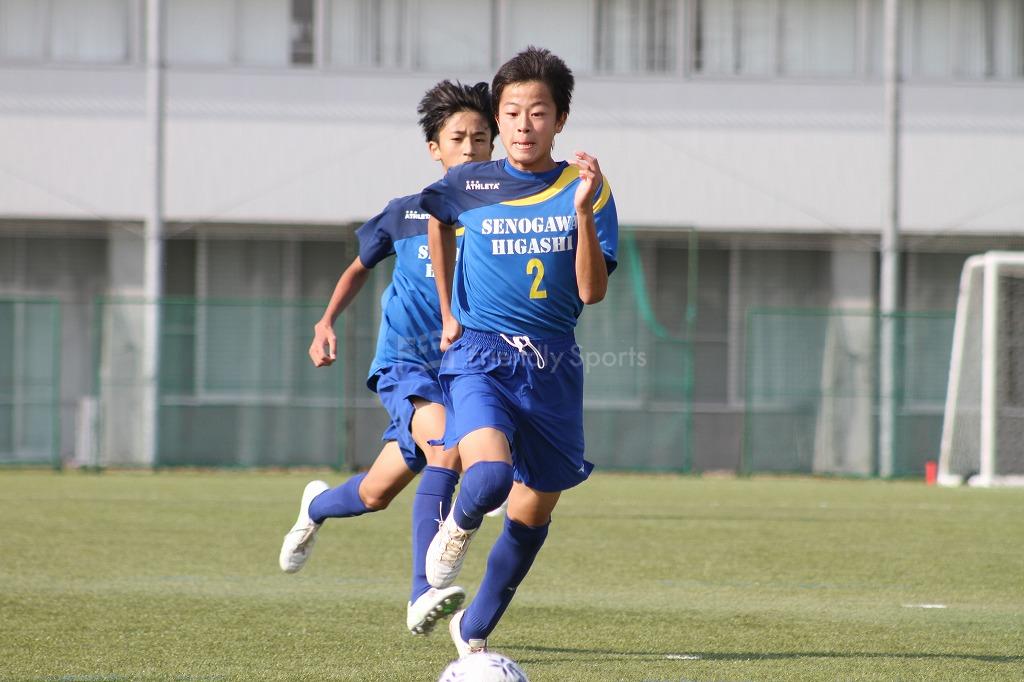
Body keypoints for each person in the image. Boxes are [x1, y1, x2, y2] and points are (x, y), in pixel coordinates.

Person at [278, 80, 497, 637]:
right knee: (446, 449)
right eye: (458, 138)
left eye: (480, 138)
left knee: (375, 494)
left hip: (466, 368)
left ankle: (315, 508)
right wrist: (326, 321)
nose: (470, 148)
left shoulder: (501, 218)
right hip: (407, 364)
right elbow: (358, 267)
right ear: (435, 148)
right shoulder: (405, 214)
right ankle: (423, 594)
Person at [419, 47, 618, 657]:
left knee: (533, 513)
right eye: (511, 113)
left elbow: (592, 291)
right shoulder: (467, 182)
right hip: (480, 353)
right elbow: (435, 218)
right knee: (491, 475)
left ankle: (473, 630)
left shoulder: (586, 187)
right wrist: (450, 312)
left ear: (560, 119)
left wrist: (582, 213)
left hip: (553, 363)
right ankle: (456, 524)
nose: (523, 125)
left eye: (538, 112)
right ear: (498, 121)